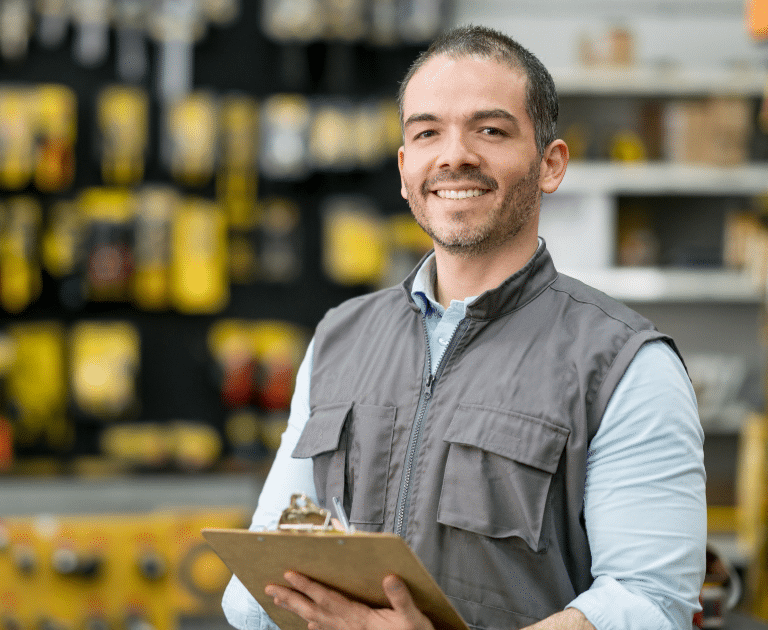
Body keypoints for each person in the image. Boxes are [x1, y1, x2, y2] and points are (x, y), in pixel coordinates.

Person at [220, 25, 706, 630]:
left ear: (551, 165)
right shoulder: (338, 340)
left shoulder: (624, 366)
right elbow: (251, 589)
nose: (454, 155)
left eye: (491, 130)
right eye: (427, 133)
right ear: (404, 171)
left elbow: (649, 603)